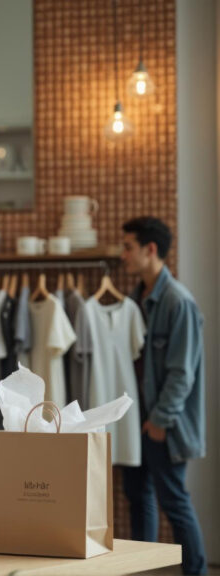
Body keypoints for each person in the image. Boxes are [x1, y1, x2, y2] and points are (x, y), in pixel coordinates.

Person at [120, 217, 206, 575]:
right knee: (138, 499)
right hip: (136, 420)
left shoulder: (177, 302)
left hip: (162, 424)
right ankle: (143, 570)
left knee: (174, 501)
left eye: (127, 247)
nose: (122, 255)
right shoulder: (135, 299)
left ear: (150, 249)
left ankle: (197, 572)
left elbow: (181, 373)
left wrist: (159, 421)